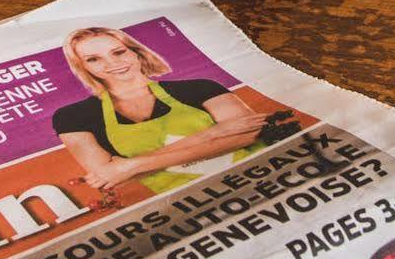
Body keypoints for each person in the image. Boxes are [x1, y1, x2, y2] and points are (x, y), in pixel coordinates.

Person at [51, 27, 269, 196]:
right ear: (83, 66)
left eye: (118, 52)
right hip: (191, 202)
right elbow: (109, 176)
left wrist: (134, 164)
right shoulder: (72, 117)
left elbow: (248, 133)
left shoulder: (201, 87)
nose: (112, 63)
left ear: (136, 53)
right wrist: (212, 133)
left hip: (261, 176)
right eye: (93, 59)